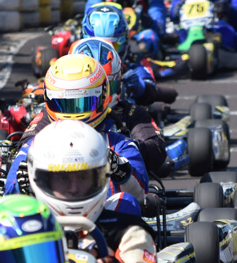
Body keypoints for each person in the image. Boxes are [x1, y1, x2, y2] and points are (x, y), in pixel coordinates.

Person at [24, 119, 182, 263]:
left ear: (102, 176)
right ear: (40, 178)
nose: (74, 188)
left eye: (83, 178)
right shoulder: (23, 230)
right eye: (62, 178)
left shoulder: (124, 227)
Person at [6, 53, 149, 203]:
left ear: (102, 97)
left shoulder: (119, 145)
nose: (73, 114)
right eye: (65, 104)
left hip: (107, 220)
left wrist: (121, 170)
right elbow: (10, 200)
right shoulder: (34, 148)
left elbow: (141, 197)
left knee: (126, 203)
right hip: (51, 222)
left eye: (82, 103)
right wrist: (21, 188)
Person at [69, 37, 168, 177]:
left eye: (107, 85)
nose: (99, 96)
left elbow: (156, 149)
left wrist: (125, 151)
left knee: (151, 196)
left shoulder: (129, 112)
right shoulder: (55, 112)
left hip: (114, 188)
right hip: (60, 184)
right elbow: (28, 144)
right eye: (90, 89)